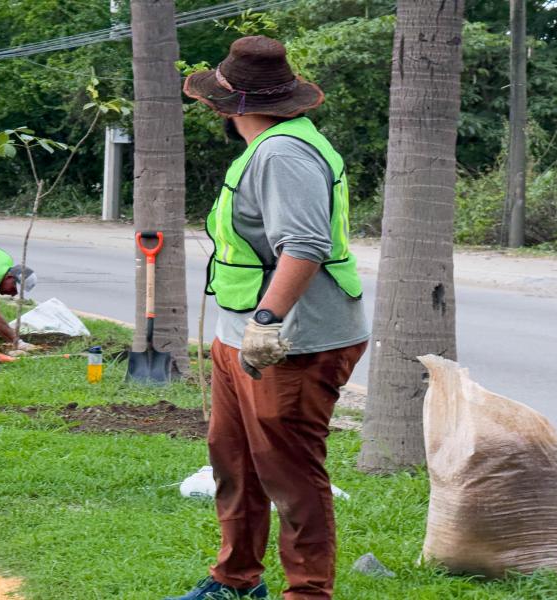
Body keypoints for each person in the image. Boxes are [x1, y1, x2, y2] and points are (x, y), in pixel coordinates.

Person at [168, 36, 370, 600]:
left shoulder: (284, 154)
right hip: (244, 335)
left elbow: (304, 244)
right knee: (234, 463)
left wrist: (266, 320)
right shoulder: (266, 148)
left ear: (228, 106)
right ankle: (235, 581)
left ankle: (308, 592)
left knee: (290, 474)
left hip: (290, 339)